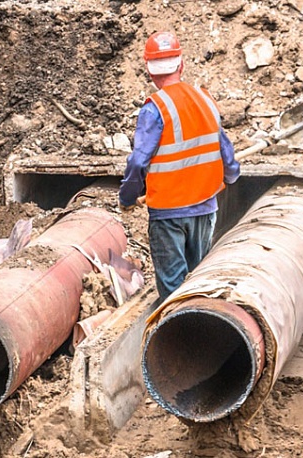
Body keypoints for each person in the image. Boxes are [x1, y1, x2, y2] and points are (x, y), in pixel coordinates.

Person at [119, 31, 240, 303]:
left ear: (149, 71)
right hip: (205, 207)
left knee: (173, 289)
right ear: (181, 65)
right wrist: (232, 175)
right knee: (199, 281)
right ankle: (204, 335)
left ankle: (178, 336)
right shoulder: (205, 100)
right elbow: (225, 149)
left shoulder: (155, 109)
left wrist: (127, 197)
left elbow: (139, 161)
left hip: (169, 215)